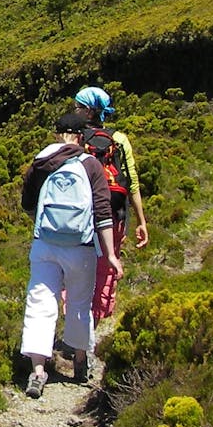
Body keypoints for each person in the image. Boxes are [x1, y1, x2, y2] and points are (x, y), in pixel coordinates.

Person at [19, 112, 123, 398]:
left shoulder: (41, 162)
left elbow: (27, 203)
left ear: (57, 134)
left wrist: (45, 224)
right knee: (79, 302)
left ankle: (37, 370)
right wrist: (111, 254)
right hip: (81, 246)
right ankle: (80, 360)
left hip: (45, 244)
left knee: (40, 301)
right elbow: (102, 212)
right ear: (81, 137)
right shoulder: (90, 164)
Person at [73, 86, 148, 324]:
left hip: (81, 216)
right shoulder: (119, 139)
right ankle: (93, 325)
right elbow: (132, 182)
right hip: (115, 215)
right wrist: (141, 221)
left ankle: (75, 327)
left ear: (88, 111)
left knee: (76, 270)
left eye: (77, 107)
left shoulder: (75, 138)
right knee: (106, 269)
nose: (74, 111)